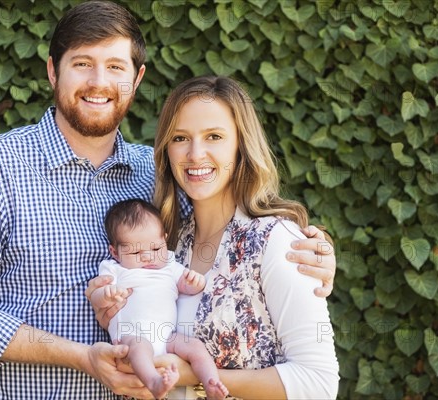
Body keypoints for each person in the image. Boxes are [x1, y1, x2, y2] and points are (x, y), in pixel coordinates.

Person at [0, 1, 336, 399]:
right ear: (53, 71)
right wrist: (82, 358)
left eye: (115, 67)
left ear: (135, 80)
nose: (99, 82)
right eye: (82, 64)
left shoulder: (159, 180)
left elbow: (238, 233)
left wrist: (311, 254)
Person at [92, 75, 340, 399]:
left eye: (214, 136)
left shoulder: (277, 241)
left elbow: (318, 383)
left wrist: (196, 376)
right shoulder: (170, 244)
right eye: (180, 138)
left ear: (241, 145)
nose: (195, 154)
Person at [91, 199, 228, 399]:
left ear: (164, 239)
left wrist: (194, 281)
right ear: (115, 252)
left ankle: (211, 383)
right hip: (132, 336)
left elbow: (186, 286)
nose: (148, 257)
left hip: (167, 336)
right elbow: (96, 297)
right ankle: (154, 382)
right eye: (136, 252)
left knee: (195, 347)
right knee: (140, 349)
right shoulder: (114, 269)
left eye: (156, 248)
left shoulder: (170, 266)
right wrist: (106, 294)